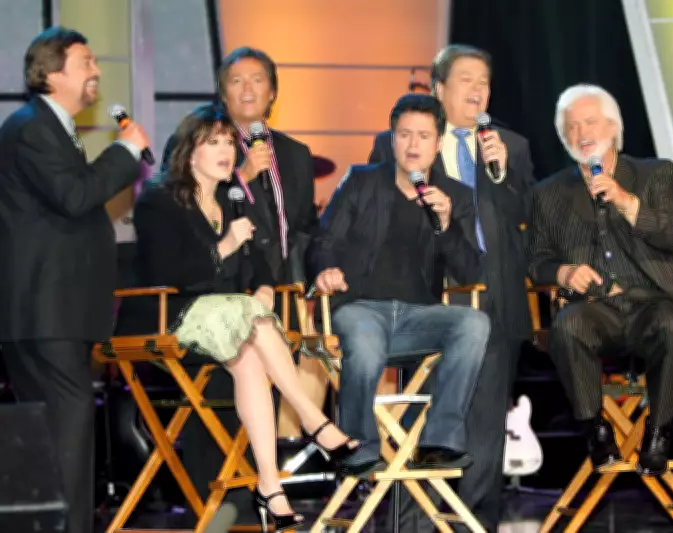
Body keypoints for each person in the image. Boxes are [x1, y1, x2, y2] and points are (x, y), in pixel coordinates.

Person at [126, 107, 359, 532]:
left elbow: (260, 265)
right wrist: (223, 248)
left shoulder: (232, 199)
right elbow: (167, 274)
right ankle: (313, 418)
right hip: (169, 317)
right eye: (213, 142)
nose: (226, 151)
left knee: (250, 358)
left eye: (229, 142)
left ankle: (270, 487)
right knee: (251, 319)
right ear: (188, 153)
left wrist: (266, 287)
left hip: (229, 323)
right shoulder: (158, 200)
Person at [368, 44, 534, 531]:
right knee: (421, 413)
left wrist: (502, 174)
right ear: (439, 89)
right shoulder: (405, 141)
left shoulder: (511, 146)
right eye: (466, 79)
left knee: (486, 422)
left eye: (484, 81)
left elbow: (529, 218)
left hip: (494, 295)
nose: (477, 89)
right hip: (427, 296)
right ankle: (414, 522)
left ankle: (474, 522)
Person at [158, 48, 322, 530]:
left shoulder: (295, 154)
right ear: (222, 91)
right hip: (210, 297)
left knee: (263, 396)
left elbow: (304, 228)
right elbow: (181, 209)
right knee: (216, 396)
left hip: (274, 293)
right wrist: (242, 176)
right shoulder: (193, 141)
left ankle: (258, 494)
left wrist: (303, 286)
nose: (247, 89)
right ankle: (215, 503)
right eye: (236, 80)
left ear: (273, 93)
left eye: (257, 80)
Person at [0, 27, 150, 533]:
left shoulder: (44, 127)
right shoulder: (32, 128)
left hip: (46, 312)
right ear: (52, 73)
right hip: (47, 312)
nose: (97, 72)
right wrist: (124, 152)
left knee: (47, 436)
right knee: (65, 431)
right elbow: (75, 196)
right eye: (86, 62)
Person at [309, 94, 490, 479]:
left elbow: (471, 270)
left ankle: (438, 442)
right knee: (365, 338)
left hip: (419, 318)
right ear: (392, 139)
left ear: (437, 144)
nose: (413, 145)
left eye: (423, 136)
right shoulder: (362, 182)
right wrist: (326, 270)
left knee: (474, 322)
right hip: (359, 309)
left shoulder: (455, 196)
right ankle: (357, 446)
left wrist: (446, 226)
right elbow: (323, 241)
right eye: (404, 134)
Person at [529, 84, 673, 476]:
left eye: (590, 122)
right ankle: (596, 431)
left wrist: (626, 201)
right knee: (567, 326)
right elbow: (536, 259)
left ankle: (658, 434)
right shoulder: (548, 194)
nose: (581, 133)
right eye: (571, 127)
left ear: (613, 127)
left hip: (653, 302)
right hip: (595, 308)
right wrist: (563, 272)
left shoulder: (656, 174)